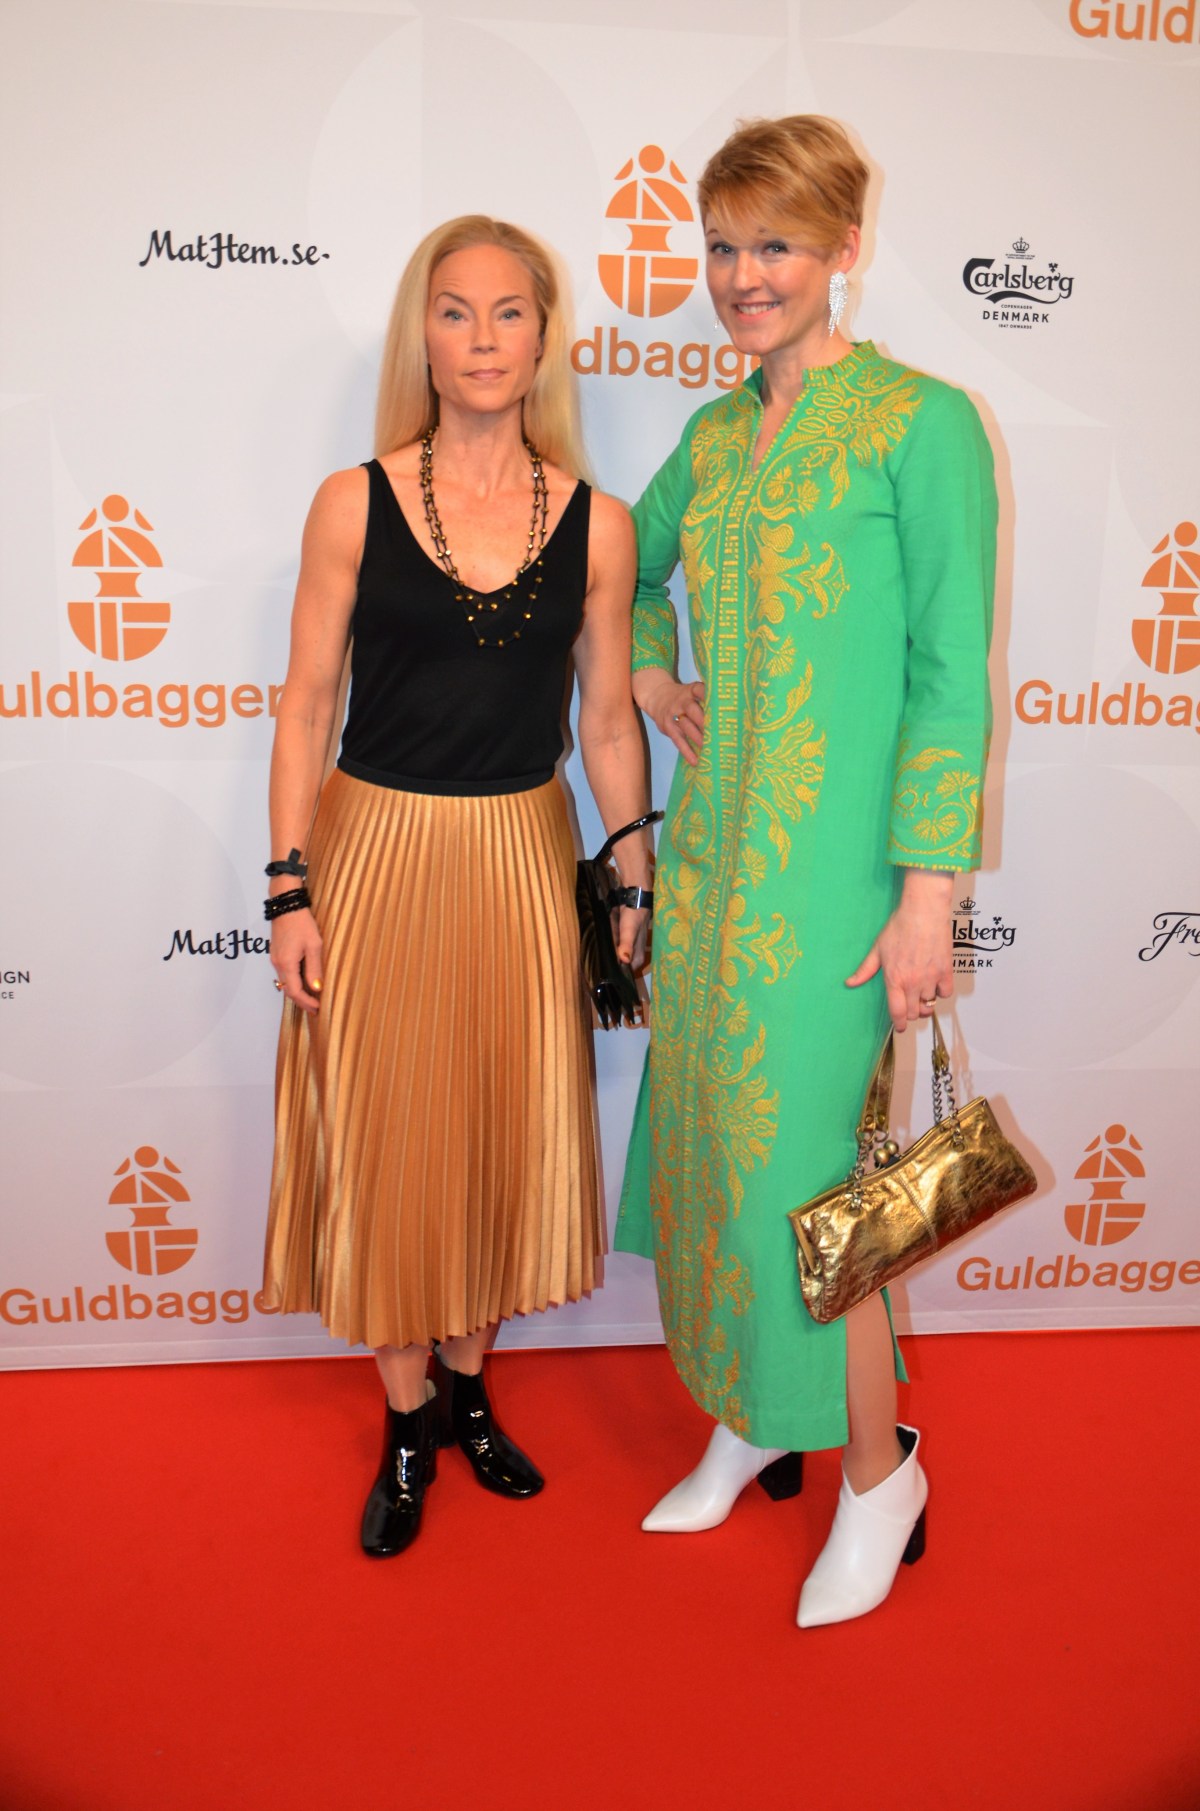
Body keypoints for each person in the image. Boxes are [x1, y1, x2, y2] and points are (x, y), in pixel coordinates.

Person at [615, 116, 997, 1626]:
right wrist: (653, 671)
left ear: (845, 245)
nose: (742, 276)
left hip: (842, 888)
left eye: (774, 244)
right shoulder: (713, 439)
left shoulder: (922, 424)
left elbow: (949, 677)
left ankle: (877, 1477)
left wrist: (928, 892)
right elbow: (626, 566)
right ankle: (753, 1418)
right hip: (712, 877)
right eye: (722, 246)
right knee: (715, 1153)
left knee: (820, 1192)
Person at [262, 215, 651, 1557]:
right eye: (453, 311)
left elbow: (609, 719)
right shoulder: (350, 502)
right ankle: (405, 1416)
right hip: (374, 850)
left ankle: (472, 1393)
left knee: (499, 1127)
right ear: (419, 338)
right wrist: (289, 888)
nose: (482, 339)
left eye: (508, 312)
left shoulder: (600, 526)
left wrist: (632, 867)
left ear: (543, 339)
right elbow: (306, 705)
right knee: (387, 1133)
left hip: (524, 854)